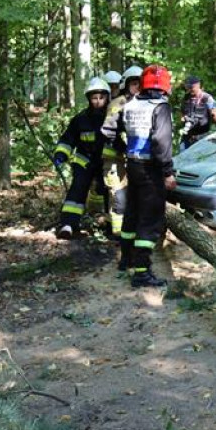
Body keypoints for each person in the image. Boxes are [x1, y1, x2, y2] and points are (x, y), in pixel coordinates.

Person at [110, 64, 176, 287]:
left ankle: (125, 260)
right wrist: (167, 172)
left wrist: (123, 148)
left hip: (133, 165)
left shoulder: (131, 103)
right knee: (149, 220)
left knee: (132, 214)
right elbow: (161, 142)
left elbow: (110, 130)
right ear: (165, 86)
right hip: (151, 169)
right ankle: (142, 273)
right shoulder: (161, 107)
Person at [52, 78, 111, 239]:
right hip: (83, 161)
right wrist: (61, 155)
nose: (98, 101)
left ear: (107, 98)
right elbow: (68, 139)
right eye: (94, 98)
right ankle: (68, 224)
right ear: (89, 99)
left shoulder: (113, 118)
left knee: (107, 193)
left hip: (105, 163)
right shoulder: (81, 119)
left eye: (101, 98)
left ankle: (108, 225)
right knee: (77, 190)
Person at [101, 65, 142, 242]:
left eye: (140, 84)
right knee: (117, 194)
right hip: (114, 157)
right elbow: (109, 131)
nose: (137, 87)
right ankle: (116, 232)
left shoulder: (142, 103)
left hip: (134, 158)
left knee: (132, 194)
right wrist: (123, 146)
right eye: (134, 83)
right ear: (126, 84)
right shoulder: (118, 104)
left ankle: (126, 228)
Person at [178, 76, 216, 152]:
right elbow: (181, 115)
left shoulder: (207, 98)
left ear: (198, 85)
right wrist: (184, 119)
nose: (189, 89)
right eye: (188, 87)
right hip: (188, 136)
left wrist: (213, 113)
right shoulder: (185, 98)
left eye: (191, 87)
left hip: (203, 137)